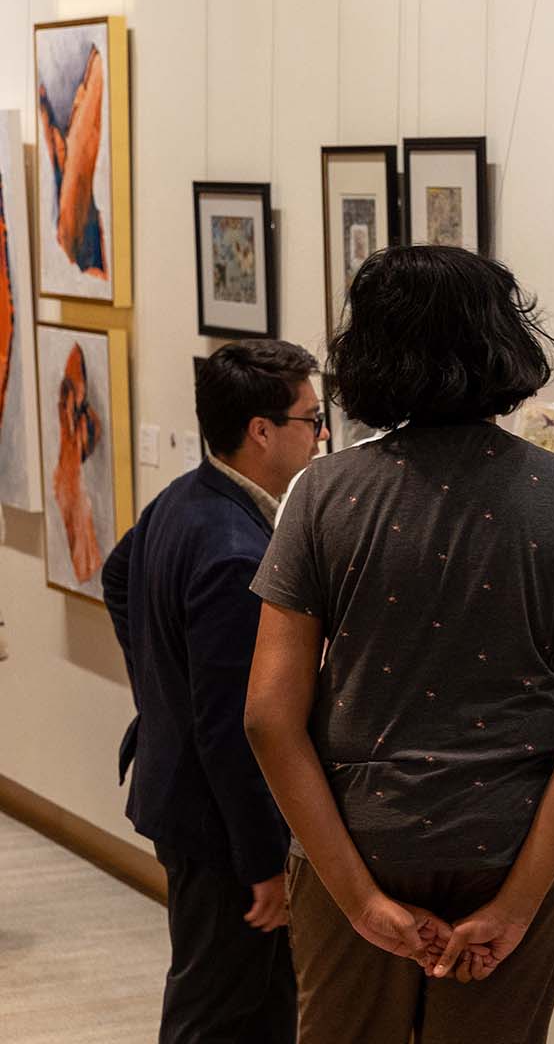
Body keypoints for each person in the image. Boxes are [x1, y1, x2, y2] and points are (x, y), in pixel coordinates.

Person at [243, 245, 554, 1044]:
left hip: (357, 830)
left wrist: (359, 901)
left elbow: (268, 720)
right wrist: (520, 903)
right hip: (517, 834)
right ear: (503, 342)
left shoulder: (322, 494)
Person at [103, 339, 328, 1044]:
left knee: (257, 1008)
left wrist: (158, 688)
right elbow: (237, 730)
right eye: (312, 420)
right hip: (223, 832)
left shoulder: (186, 495)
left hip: (188, 804)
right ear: (262, 430)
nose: (321, 437)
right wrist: (263, 864)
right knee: (218, 1014)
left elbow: (117, 574)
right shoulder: (238, 553)